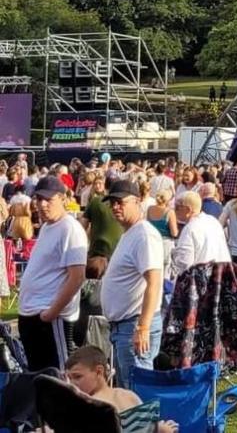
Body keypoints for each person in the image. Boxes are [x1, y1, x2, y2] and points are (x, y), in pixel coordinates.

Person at [18, 176, 87, 372]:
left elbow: (77, 277)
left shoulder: (70, 228)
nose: (42, 205)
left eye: (48, 200)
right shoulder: (48, 227)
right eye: (39, 199)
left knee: (58, 376)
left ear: (62, 198)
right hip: (32, 315)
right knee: (37, 376)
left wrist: (52, 312)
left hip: (50, 318)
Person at [101, 179, 164, 389]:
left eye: (121, 202)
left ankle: (145, 424)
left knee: (137, 393)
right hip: (124, 326)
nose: (115, 207)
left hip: (134, 324)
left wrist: (143, 327)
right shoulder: (131, 233)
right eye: (112, 203)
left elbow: (154, 281)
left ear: (137, 202)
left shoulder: (144, 235)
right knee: (128, 392)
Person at [64, 346, 178, 433]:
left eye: (77, 377)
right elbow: (148, 427)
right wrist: (161, 429)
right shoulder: (129, 395)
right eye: (69, 378)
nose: (71, 383)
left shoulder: (90, 405)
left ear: (99, 371)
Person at [171, 191, 232, 277]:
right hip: (219, 275)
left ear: (188, 210)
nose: (174, 210)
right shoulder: (213, 221)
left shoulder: (190, 228)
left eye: (177, 207)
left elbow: (184, 262)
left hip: (200, 279)